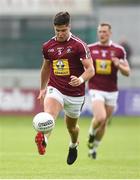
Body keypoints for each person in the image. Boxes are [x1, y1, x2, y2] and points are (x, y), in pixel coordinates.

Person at [34, 11, 94, 165]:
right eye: (57, 30)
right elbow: (46, 68)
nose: (60, 34)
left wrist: (80, 80)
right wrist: (42, 88)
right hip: (56, 88)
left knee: (72, 128)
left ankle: (74, 145)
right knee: (49, 115)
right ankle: (44, 140)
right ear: (54, 28)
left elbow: (90, 70)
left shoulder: (79, 45)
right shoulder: (48, 46)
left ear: (69, 27)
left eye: (63, 30)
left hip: (75, 94)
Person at [87, 22, 130, 159]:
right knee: (101, 117)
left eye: (105, 32)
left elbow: (127, 72)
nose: (102, 34)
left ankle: (94, 148)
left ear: (110, 33)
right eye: (100, 31)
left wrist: (119, 65)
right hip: (95, 89)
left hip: (112, 91)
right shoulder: (90, 49)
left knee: (104, 123)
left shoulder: (118, 50)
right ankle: (91, 133)